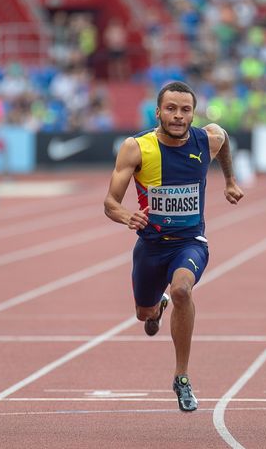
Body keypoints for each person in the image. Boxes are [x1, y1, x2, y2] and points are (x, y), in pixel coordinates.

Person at [104, 81, 244, 412]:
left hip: (190, 242)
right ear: (158, 112)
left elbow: (223, 143)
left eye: (185, 110)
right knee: (145, 314)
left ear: (193, 113)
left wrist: (230, 181)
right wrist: (127, 216)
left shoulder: (206, 138)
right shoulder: (137, 148)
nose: (178, 116)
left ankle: (182, 377)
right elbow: (110, 202)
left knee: (183, 289)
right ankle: (157, 307)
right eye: (171, 109)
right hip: (151, 247)